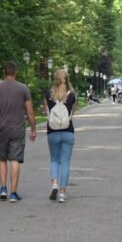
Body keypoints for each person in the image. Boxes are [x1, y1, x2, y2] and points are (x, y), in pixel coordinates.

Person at [0, 60, 36, 203]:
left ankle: (3, 189)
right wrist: (33, 129)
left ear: (4, 72)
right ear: (16, 72)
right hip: (17, 128)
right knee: (15, 160)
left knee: (2, 158)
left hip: (1, 127)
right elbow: (30, 112)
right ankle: (13, 193)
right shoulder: (23, 89)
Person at [45, 68, 76, 203]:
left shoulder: (49, 94)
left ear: (55, 79)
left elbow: (47, 113)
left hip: (52, 132)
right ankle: (62, 193)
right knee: (65, 162)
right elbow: (71, 114)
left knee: (54, 160)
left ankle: (55, 184)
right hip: (68, 131)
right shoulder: (72, 95)